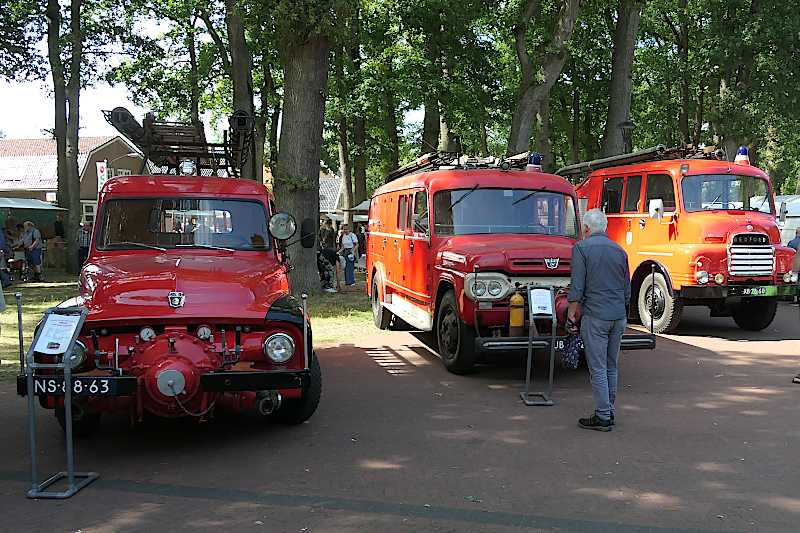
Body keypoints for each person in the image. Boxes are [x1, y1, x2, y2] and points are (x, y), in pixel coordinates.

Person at [567, 209, 631, 432]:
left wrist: (572, 312)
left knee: (598, 367)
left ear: (585, 228)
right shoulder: (619, 250)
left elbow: (577, 286)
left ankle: (603, 415)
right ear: (605, 228)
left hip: (596, 316)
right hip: (618, 317)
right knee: (611, 366)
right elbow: (626, 290)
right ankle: (609, 410)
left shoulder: (581, 249)